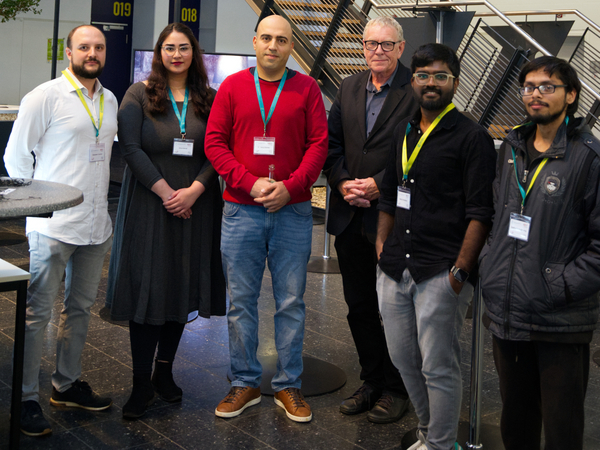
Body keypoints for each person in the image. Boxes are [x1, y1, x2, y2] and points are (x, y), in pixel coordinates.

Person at [205, 15, 328, 423]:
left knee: (291, 301)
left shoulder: (307, 88)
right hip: (242, 210)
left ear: (292, 47)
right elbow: (215, 143)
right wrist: (250, 182)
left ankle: (288, 385)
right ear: (254, 41)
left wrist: (290, 188)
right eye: (267, 38)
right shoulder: (233, 87)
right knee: (241, 302)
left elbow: (318, 145)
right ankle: (245, 381)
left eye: (282, 40)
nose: (273, 46)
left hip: (292, 212)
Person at [375, 44, 495, 450]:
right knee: (403, 359)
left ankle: (442, 444)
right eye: (423, 75)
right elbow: (390, 195)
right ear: (412, 81)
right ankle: (430, 434)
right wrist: (380, 244)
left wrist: (460, 271)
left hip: (439, 272)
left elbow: (481, 211)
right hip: (394, 267)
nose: (431, 82)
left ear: (455, 83)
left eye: (440, 76)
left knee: (439, 366)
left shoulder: (472, 137)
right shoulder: (403, 131)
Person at [106, 23, 226, 419]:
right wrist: (166, 193)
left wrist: (193, 190)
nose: (177, 54)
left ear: (195, 53)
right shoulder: (138, 94)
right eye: (169, 48)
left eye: (184, 48)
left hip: (197, 205)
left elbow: (218, 150)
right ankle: (140, 383)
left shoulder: (208, 98)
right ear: (160, 52)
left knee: (180, 285)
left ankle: (164, 373)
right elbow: (130, 148)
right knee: (148, 289)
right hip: (148, 205)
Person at [480, 56, 600, 450]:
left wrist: (558, 287)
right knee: (516, 420)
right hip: (508, 310)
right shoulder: (511, 147)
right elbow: (499, 217)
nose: (536, 94)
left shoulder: (588, 158)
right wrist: (491, 265)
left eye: (547, 86)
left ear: (571, 95)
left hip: (557, 315)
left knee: (562, 427)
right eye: (529, 86)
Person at [4, 25, 118, 436]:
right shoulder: (44, 96)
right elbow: (16, 158)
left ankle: (66, 384)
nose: (92, 53)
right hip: (53, 227)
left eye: (99, 47)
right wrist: (36, 208)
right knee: (37, 315)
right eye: (84, 46)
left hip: (94, 225)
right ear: (68, 51)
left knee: (80, 310)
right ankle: (26, 398)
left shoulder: (108, 99)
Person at [323, 16, 417, 423]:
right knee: (359, 305)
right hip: (349, 214)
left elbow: (421, 152)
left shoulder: (416, 90)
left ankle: (397, 389)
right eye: (370, 43)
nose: (377, 50)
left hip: (391, 218)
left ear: (400, 47)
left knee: (396, 309)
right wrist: (343, 183)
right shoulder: (347, 86)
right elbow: (332, 144)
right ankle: (371, 380)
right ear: (362, 47)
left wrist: (380, 185)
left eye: (386, 44)